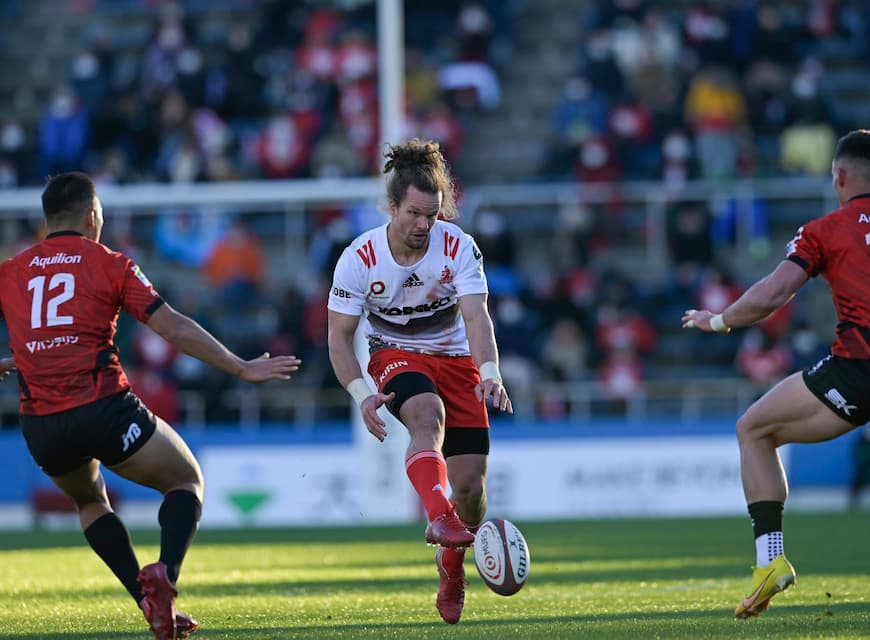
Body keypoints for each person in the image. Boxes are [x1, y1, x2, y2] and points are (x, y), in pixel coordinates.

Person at [0, 172, 301, 640]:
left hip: (41, 423)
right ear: (92, 214)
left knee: (88, 501)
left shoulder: (12, 270)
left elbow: (47, 331)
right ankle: (165, 577)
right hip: (103, 408)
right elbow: (173, 327)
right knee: (185, 480)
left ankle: (147, 603)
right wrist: (240, 367)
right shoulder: (110, 263)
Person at [681, 129, 870, 619]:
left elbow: (773, 294)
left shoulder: (826, 229)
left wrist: (719, 320)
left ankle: (770, 563)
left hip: (862, 367)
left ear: (839, 175)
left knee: (754, 428)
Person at [327, 138, 513, 625]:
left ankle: (451, 566)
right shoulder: (359, 258)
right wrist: (362, 396)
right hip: (394, 354)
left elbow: (477, 318)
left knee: (471, 486)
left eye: (432, 215)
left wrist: (490, 372)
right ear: (391, 206)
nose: (423, 226)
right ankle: (437, 515)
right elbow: (339, 338)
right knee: (426, 416)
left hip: (454, 358)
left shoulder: (457, 247)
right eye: (414, 214)